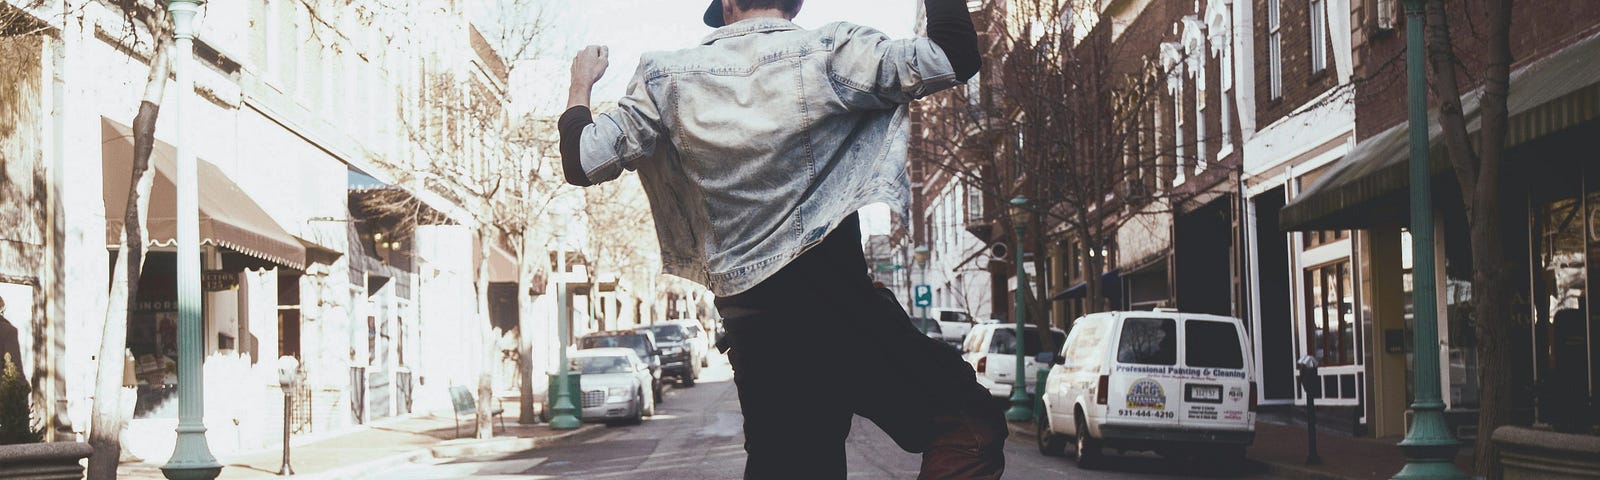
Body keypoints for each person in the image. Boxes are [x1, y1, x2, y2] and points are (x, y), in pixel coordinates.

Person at [559, 0, 1000, 478]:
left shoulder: (664, 77)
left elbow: (582, 160)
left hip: (759, 332)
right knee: (968, 428)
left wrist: (581, 82)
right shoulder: (834, 51)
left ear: (728, 5)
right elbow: (953, 55)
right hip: (841, 310)